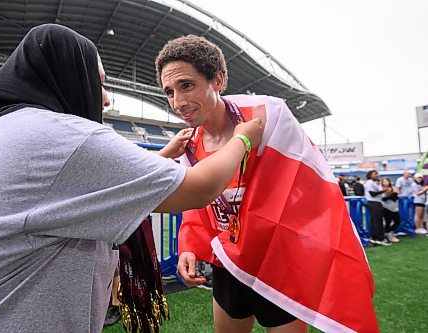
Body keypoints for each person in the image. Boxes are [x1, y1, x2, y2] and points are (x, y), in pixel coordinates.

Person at [0, 24, 264, 333]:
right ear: (67, 78)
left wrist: (163, 156)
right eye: (99, 82)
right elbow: (199, 187)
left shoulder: (10, 129)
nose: (105, 98)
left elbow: (96, 187)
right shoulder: (60, 136)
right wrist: (244, 138)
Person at [155, 35, 378, 333]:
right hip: (229, 265)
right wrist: (190, 246)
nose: (177, 102)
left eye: (186, 85)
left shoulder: (268, 117)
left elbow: (307, 186)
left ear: (218, 80)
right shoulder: (188, 145)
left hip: (279, 261)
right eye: (169, 91)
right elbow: (200, 202)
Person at [364, 170, 390, 246]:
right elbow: (372, 194)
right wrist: (383, 191)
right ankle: (380, 238)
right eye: (375, 174)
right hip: (374, 202)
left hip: (376, 202)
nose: (377, 175)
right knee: (378, 221)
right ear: (370, 175)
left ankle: (375, 237)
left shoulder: (374, 183)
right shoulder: (369, 182)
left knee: (375, 221)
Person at [381, 177, 400, 243]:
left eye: (387, 181)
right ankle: (388, 234)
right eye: (384, 181)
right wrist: (392, 194)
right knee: (388, 222)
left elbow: (396, 194)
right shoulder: (381, 189)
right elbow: (383, 198)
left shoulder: (393, 188)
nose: (385, 183)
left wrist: (393, 194)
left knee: (398, 221)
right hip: (386, 208)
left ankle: (390, 232)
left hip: (394, 208)